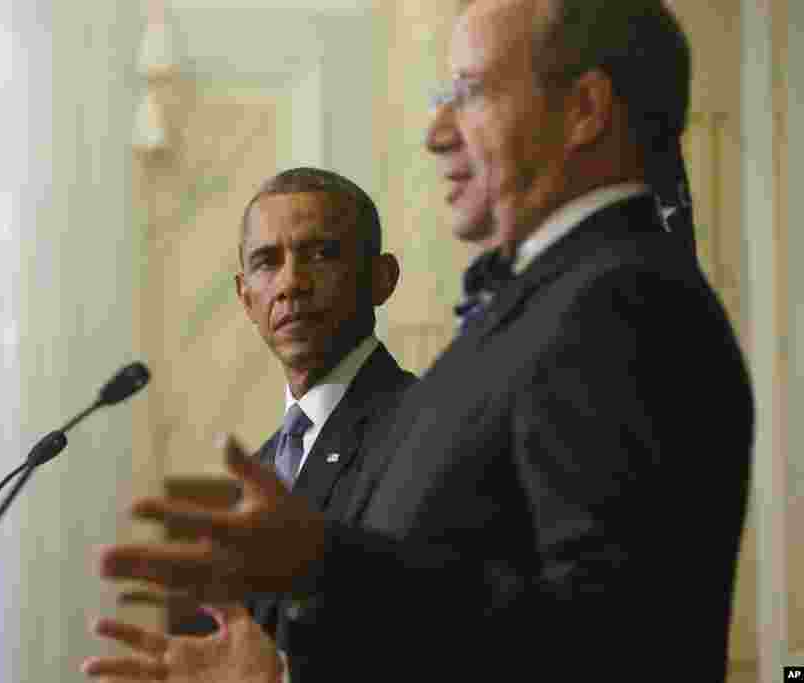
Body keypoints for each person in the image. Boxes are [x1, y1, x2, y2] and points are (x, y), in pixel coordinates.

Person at [86, 1, 754, 681]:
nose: (437, 132)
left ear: (584, 108)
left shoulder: (621, 302)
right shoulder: (541, 304)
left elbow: (614, 644)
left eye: (468, 93)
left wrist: (323, 561)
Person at [83, 168, 415, 681]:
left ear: (382, 278)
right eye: (266, 262)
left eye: (321, 253)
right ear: (244, 296)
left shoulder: (422, 424)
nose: (290, 283)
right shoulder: (261, 471)